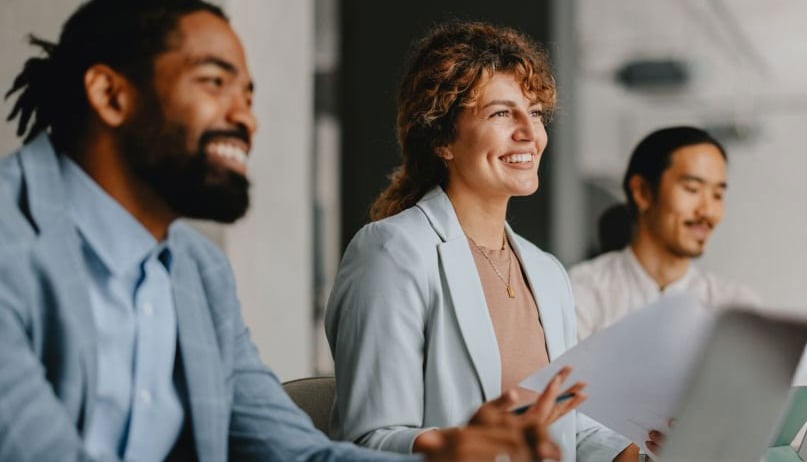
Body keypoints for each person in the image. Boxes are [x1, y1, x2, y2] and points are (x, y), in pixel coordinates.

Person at [0, 1, 573, 460]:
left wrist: (437, 455)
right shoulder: (11, 240)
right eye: (214, 82)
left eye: (249, 93)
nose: (245, 115)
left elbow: (294, 450)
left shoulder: (197, 270)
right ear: (111, 94)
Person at [326, 21, 639, 461]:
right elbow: (363, 444)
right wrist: (455, 446)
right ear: (442, 139)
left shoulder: (547, 272)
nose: (529, 133)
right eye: (500, 113)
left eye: (534, 112)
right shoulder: (391, 252)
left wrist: (631, 450)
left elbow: (560, 428)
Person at [570, 126, 760, 341]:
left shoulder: (735, 306)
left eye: (717, 195)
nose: (707, 211)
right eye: (692, 189)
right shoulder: (582, 291)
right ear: (643, 192)